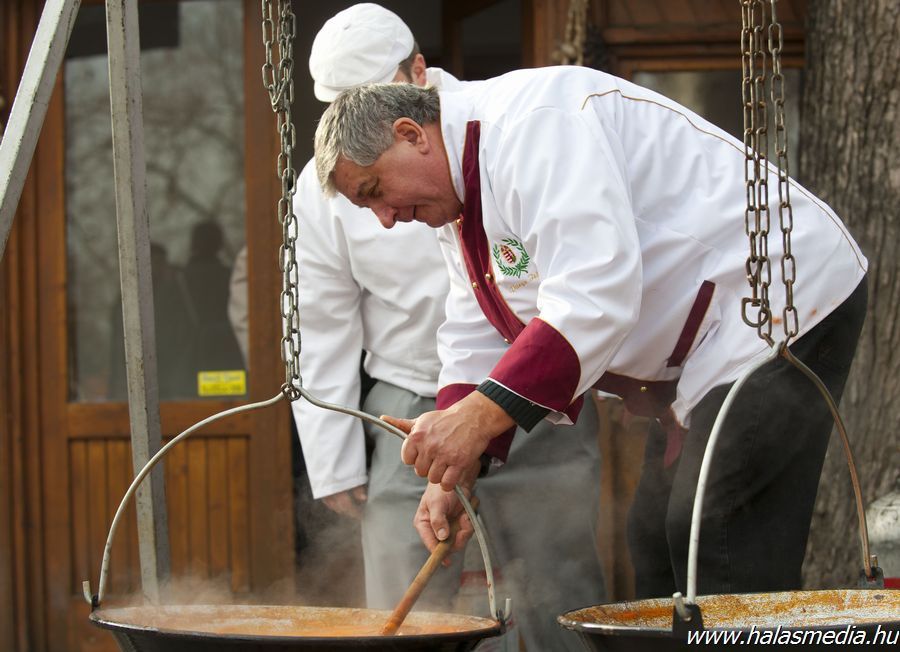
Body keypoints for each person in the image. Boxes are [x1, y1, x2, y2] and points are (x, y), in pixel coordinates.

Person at [313, 67, 869, 599]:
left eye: (374, 190)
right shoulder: (459, 197)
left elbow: (594, 293)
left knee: (712, 529)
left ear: (412, 135)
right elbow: (475, 325)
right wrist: (454, 470)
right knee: (652, 537)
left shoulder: (534, 123)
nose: (385, 218)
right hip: (711, 342)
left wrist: (477, 419)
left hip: (779, 298)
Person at [292, 5, 605, 649]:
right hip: (407, 405)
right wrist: (333, 459)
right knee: (404, 592)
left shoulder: (499, 133)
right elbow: (320, 321)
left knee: (559, 584)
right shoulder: (321, 190)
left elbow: (582, 284)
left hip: (538, 398)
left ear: (417, 70)